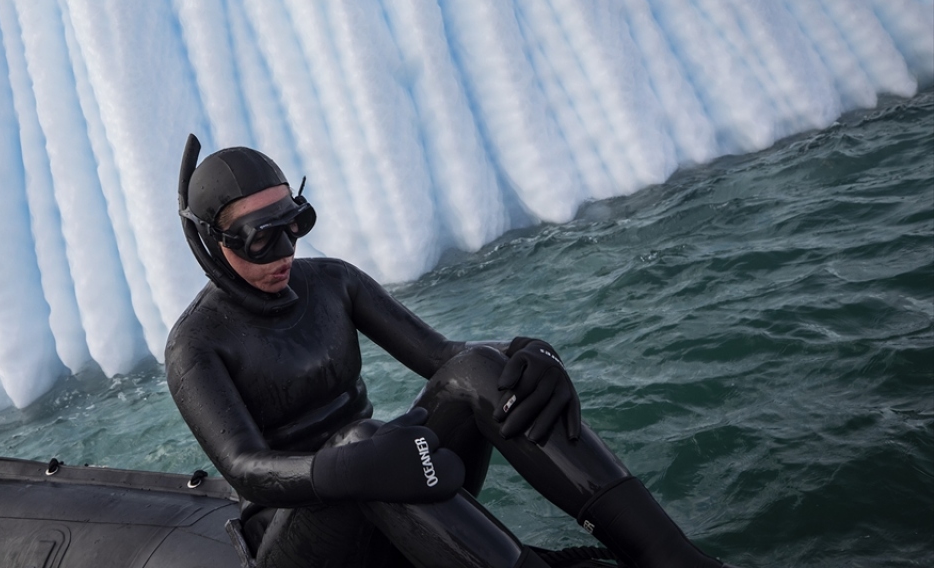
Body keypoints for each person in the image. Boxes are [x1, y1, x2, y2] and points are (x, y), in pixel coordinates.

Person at [166, 135, 733, 568]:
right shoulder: (196, 343)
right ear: (213, 245)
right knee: (367, 443)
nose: (285, 251)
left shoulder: (333, 282)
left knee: (479, 370)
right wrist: (347, 463)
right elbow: (245, 471)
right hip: (299, 536)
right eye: (262, 237)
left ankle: (668, 555)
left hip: (388, 489)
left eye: (295, 224)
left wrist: (530, 353)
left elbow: (447, 358)